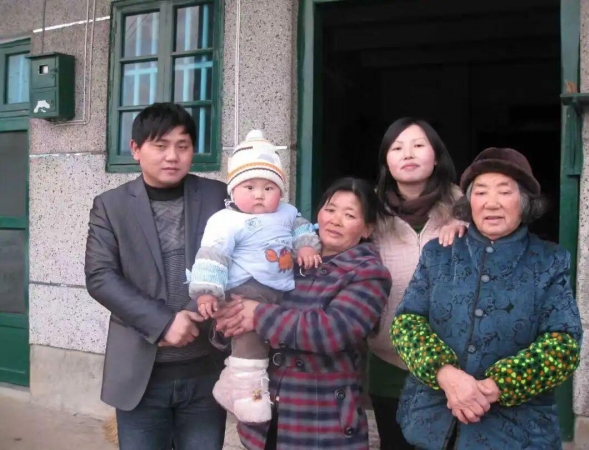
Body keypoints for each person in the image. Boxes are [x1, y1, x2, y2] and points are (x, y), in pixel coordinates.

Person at [390, 147, 583, 449]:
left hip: (517, 433)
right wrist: (446, 374)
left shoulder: (548, 261)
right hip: (432, 423)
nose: (492, 203)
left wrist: (495, 386)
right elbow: (406, 323)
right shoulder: (439, 254)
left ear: (524, 202)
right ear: (469, 203)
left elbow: (563, 344)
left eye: (504, 192)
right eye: (480, 192)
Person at [85, 103, 228, 450]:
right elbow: (101, 276)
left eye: (183, 145)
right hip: (140, 374)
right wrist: (163, 323)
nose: (172, 156)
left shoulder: (217, 196)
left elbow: (239, 259)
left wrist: (192, 312)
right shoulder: (111, 205)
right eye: (160, 145)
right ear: (136, 149)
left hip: (206, 370)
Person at [212, 177, 392, 450]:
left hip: (321, 420)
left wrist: (258, 315)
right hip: (267, 419)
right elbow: (248, 297)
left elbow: (331, 331)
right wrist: (230, 322)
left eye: (349, 215)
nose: (336, 220)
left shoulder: (368, 273)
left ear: (367, 228)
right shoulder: (287, 258)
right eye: (330, 209)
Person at [188, 130, 321, 424]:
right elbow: (212, 255)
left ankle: (230, 385)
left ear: (280, 192)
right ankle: (251, 395)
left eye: (269, 187)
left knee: (270, 342)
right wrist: (207, 291)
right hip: (245, 291)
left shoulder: (287, 213)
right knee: (250, 341)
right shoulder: (226, 220)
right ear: (233, 191)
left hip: (280, 291)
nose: (259, 194)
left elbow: (302, 228)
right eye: (249, 186)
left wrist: (307, 246)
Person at [368, 118, 465, 450]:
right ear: (386, 161)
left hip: (455, 362)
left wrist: (465, 222)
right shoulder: (369, 212)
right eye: (397, 148)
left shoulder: (469, 208)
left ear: (436, 156)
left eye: (419, 145)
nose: (407, 154)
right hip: (387, 359)